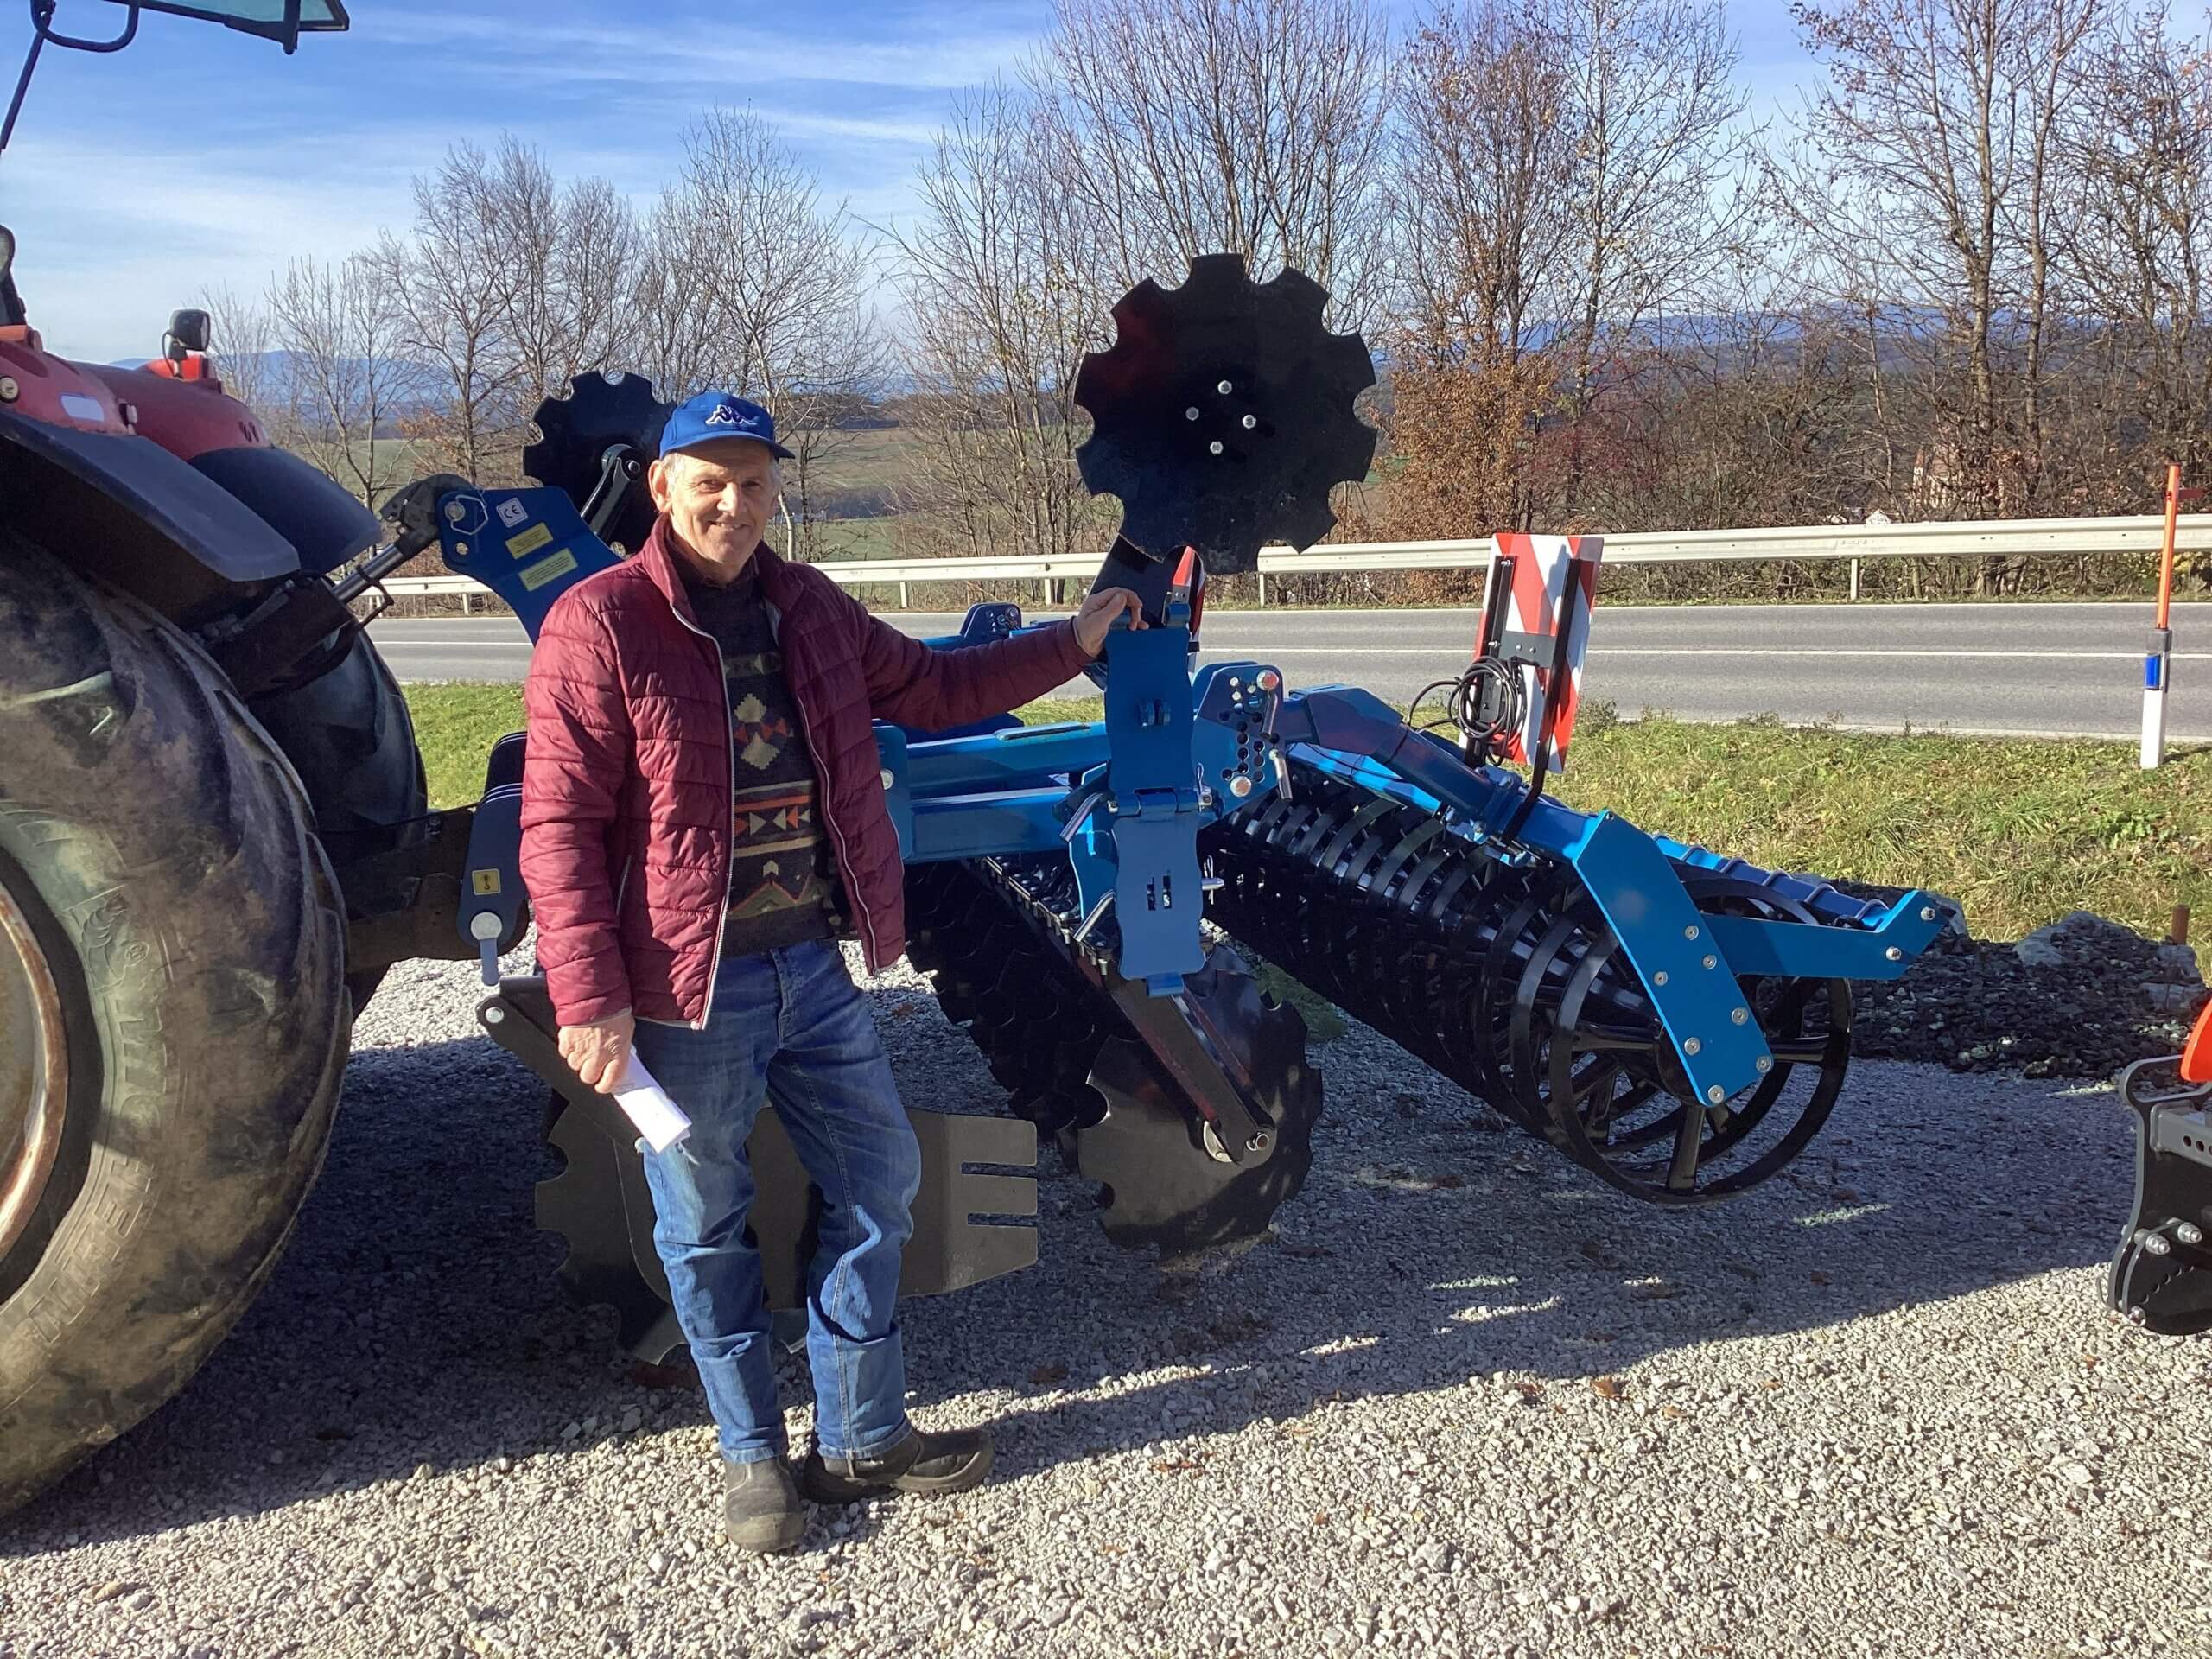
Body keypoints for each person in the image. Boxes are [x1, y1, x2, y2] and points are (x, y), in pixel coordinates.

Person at [518, 390, 1144, 1553]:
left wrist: (1073, 643)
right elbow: (555, 825)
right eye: (709, 480)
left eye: (754, 482)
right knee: (705, 1226)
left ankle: (861, 1438)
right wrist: (587, 993)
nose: (734, 503)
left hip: (809, 967)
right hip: (681, 993)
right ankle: (755, 1462)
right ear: (663, 487)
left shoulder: (809, 607)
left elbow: (936, 691)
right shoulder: (597, 626)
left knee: (882, 1183)